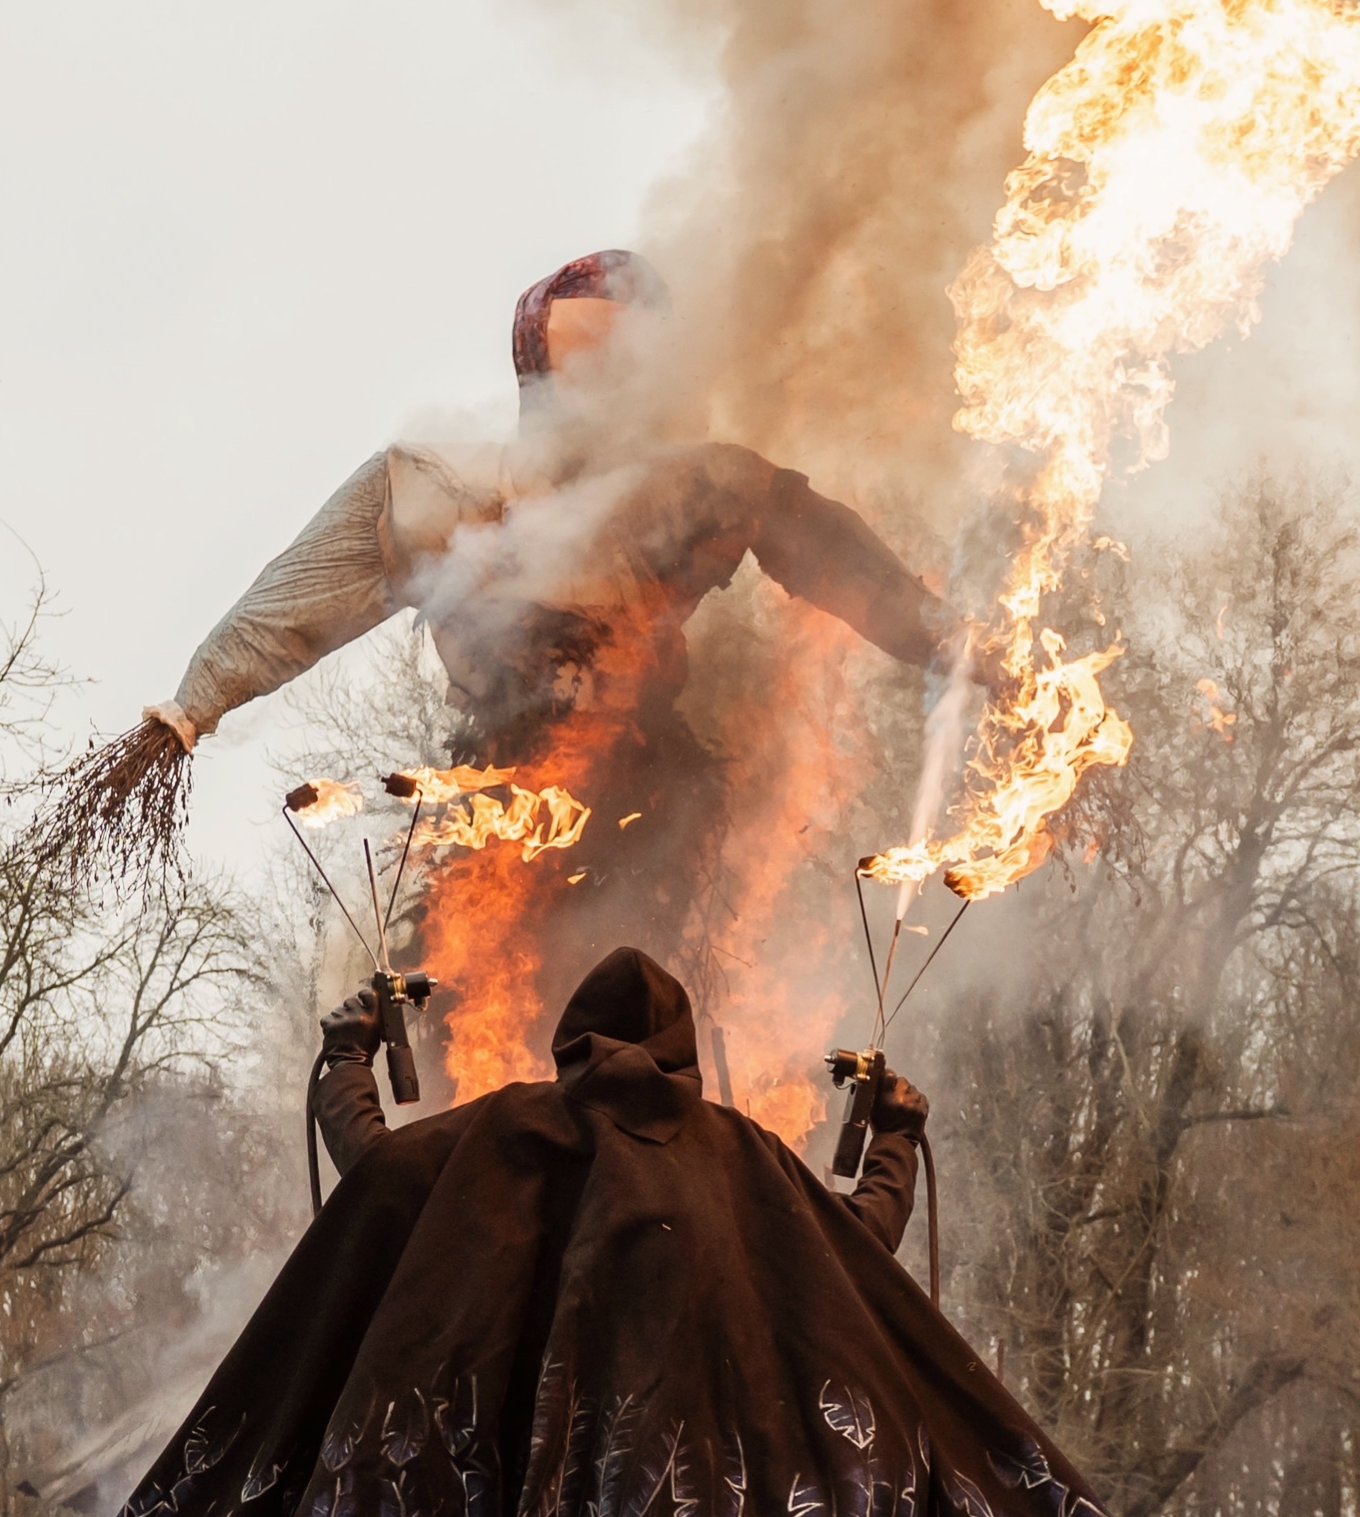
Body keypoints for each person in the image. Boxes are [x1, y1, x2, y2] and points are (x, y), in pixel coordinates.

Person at [117, 250, 962, 1089]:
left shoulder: (693, 485)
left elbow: (834, 555)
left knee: (638, 1039)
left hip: (650, 812)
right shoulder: (443, 487)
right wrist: (191, 709)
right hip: (496, 812)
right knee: (477, 1030)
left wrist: (945, 641)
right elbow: (292, 605)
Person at [121, 948, 1103, 1517]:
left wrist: (345, 1053)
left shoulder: (494, 1138)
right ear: (681, 1054)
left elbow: (377, 1168)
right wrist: (891, 1135)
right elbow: (850, 1251)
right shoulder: (739, 1161)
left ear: (567, 1042)